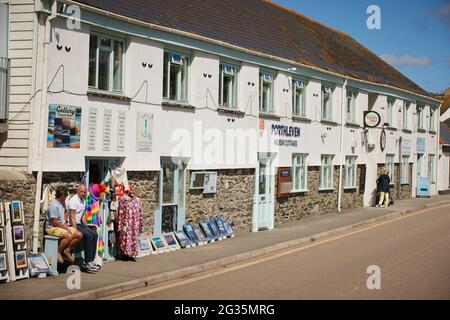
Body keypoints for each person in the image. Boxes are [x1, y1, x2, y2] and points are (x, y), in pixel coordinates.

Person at [45, 186, 83, 264]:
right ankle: (58, 251)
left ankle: (67, 250)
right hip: (51, 227)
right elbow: (54, 221)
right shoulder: (53, 206)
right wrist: (64, 227)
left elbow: (65, 212)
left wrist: (65, 222)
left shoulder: (62, 203)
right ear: (62, 196)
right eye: (65, 195)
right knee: (69, 236)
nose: (66, 197)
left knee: (79, 234)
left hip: (61, 225)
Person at [68, 184, 100, 272]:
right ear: (77, 191)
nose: (83, 193)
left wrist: (87, 226)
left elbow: (83, 216)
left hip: (80, 224)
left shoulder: (83, 201)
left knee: (94, 234)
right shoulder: (73, 200)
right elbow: (72, 217)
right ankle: (87, 262)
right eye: (81, 191)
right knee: (88, 236)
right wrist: (75, 230)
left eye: (84, 192)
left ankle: (92, 260)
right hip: (72, 224)